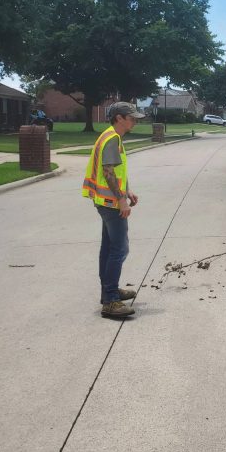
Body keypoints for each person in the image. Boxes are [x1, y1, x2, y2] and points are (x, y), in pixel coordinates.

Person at [82, 101, 145, 318]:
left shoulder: (110, 135)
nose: (135, 121)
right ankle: (110, 301)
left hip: (106, 202)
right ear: (119, 118)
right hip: (110, 204)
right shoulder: (112, 139)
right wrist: (121, 200)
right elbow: (108, 172)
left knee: (109, 249)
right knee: (119, 250)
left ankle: (108, 291)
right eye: (132, 118)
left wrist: (127, 190)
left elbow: (116, 172)